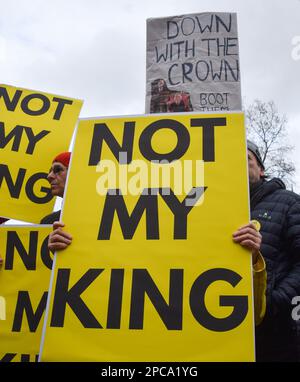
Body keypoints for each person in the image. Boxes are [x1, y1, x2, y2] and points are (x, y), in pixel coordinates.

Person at [247, 140, 300, 362]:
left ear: (261, 169)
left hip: (277, 336)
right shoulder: (204, 206)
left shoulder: (289, 203)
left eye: (246, 159)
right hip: (220, 328)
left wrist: (274, 302)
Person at [40, 152, 71, 224]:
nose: (49, 176)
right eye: (50, 171)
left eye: (58, 170)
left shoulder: (99, 215)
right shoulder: (49, 222)